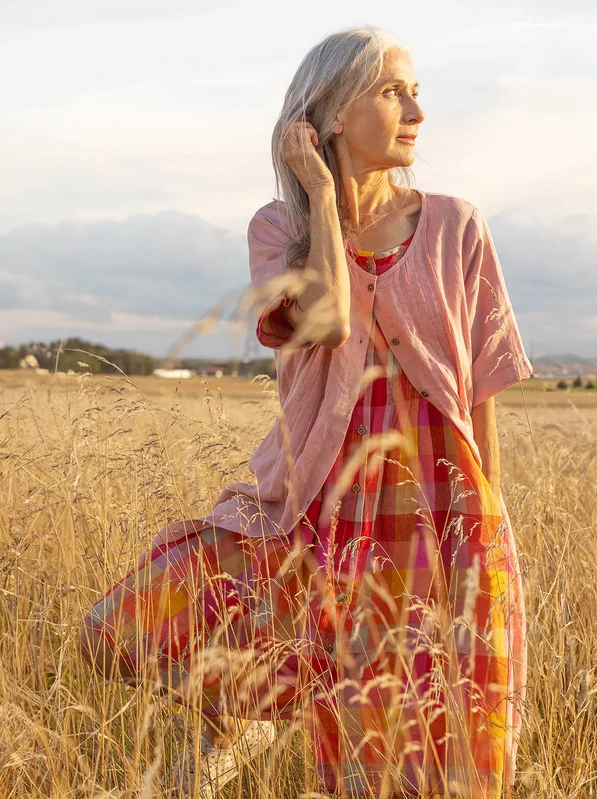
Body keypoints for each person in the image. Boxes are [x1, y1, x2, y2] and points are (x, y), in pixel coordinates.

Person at [79, 24, 533, 799]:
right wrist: (324, 197)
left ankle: (283, 715)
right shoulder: (279, 229)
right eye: (393, 91)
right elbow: (325, 321)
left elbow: (480, 388)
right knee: (112, 631)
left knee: (403, 757)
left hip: (434, 515)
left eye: (416, 89)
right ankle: (264, 705)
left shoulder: (459, 225)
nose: (417, 108)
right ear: (325, 117)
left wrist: (486, 529)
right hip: (314, 512)